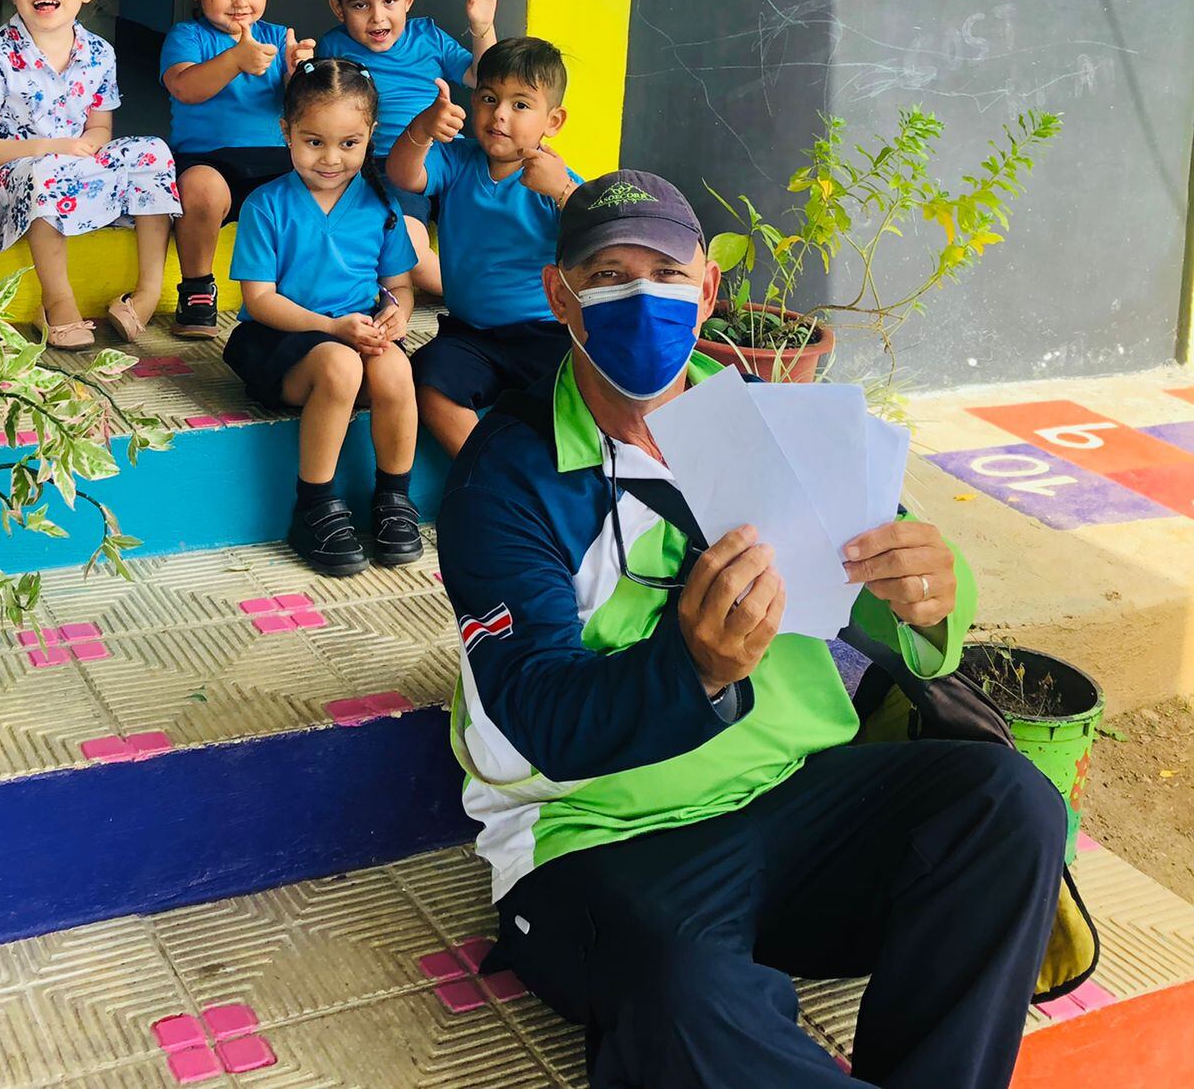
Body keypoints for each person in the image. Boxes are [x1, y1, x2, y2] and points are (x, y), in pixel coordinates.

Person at [436, 169, 1068, 1088]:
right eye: (608, 276)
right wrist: (692, 670)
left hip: (797, 799)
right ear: (559, 296)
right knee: (683, 994)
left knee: (1010, 805)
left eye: (665, 274)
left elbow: (898, 600)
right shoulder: (506, 478)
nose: (640, 299)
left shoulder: (782, 427)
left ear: (707, 291)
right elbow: (537, 712)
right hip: (599, 841)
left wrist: (935, 592)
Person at [223, 59, 422, 576]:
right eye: (314, 142)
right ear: (286, 132)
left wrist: (396, 314)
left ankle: (393, 497)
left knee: (396, 368)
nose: (331, 159)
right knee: (340, 364)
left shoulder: (382, 205)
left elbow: (399, 286)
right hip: (282, 341)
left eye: (349, 143)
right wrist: (332, 328)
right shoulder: (266, 205)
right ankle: (312, 505)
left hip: (357, 334)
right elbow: (260, 300)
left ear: (370, 135)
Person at [0, 0, 181, 350]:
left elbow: (100, 127)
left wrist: (89, 150)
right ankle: (57, 302)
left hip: (76, 168)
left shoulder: (99, 53)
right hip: (12, 179)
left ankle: (145, 295)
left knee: (153, 151)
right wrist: (54, 148)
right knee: (44, 172)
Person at [387, 36, 580, 456]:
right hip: (471, 336)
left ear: (553, 121)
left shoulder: (557, 182)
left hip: (544, 334)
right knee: (428, 378)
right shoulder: (457, 160)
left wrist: (563, 192)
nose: (500, 114)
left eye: (521, 104)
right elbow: (403, 176)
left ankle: (550, 476)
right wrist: (421, 129)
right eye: (489, 99)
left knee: (581, 391)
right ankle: (486, 470)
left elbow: (596, 239)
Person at [317, 0, 503, 291]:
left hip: (450, 158)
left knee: (502, 209)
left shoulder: (428, 36)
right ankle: (477, 297)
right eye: (360, 5)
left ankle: (515, 287)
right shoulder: (334, 46)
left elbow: (483, 77)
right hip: (387, 166)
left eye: (389, 1)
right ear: (339, 8)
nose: (378, 18)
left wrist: (483, 27)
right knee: (405, 243)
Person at [160, 0, 315, 340]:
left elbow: (306, 109)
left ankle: (311, 287)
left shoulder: (278, 38)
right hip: (209, 161)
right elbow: (185, 87)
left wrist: (298, 73)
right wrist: (235, 60)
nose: (241, 3)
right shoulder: (188, 36)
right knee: (201, 190)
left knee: (323, 183)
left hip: (276, 160)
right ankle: (197, 288)